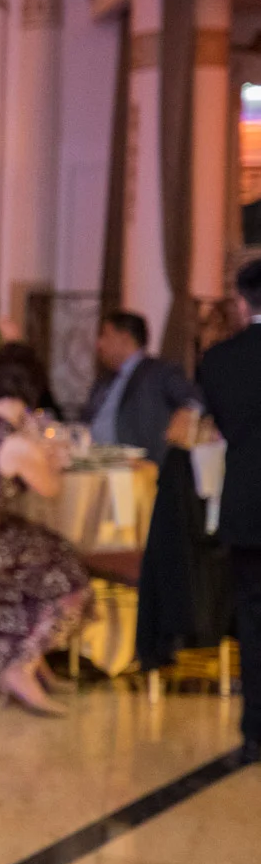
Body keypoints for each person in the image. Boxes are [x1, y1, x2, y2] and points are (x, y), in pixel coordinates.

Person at [0, 345, 93, 715]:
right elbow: (51, 489)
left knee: (51, 549)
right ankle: (21, 667)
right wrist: (50, 455)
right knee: (72, 579)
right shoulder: (14, 442)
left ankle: (30, 662)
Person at [197, 260, 261, 763]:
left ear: (242, 302)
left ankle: (255, 731)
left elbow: (225, 424)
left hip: (249, 501)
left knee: (253, 618)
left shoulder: (218, 362)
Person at [83, 311, 202, 466]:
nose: (99, 344)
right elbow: (85, 421)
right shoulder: (104, 380)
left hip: (135, 465)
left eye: (105, 335)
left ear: (124, 338)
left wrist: (186, 413)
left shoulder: (159, 371)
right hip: (92, 460)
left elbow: (192, 398)